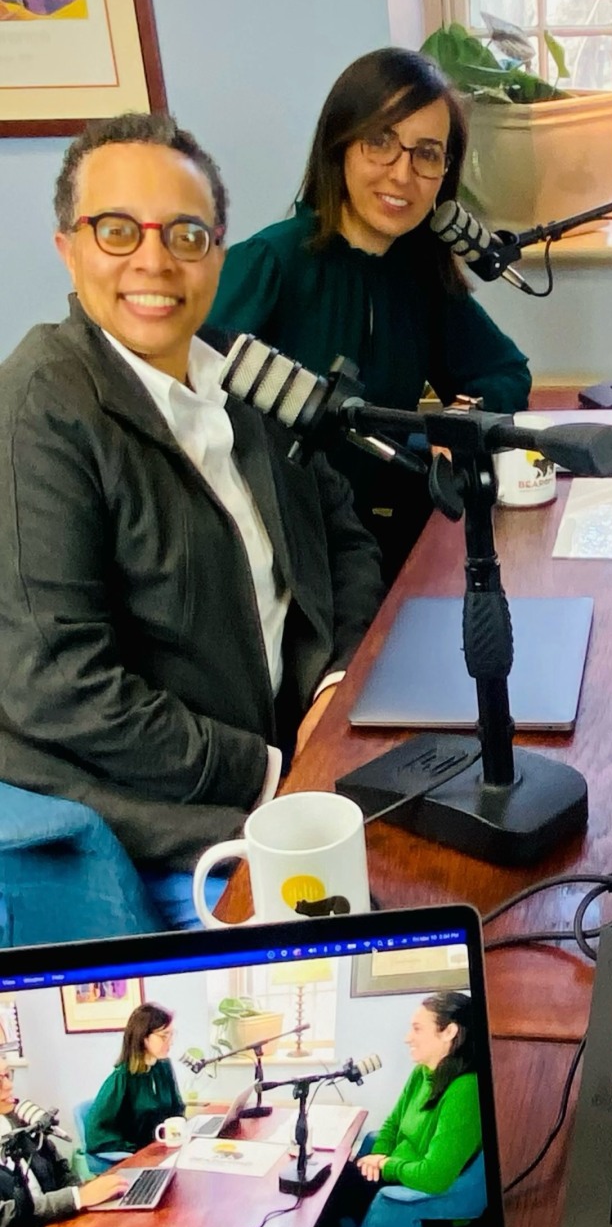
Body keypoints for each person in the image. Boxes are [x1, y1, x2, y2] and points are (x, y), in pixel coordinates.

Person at [0, 113, 383, 912]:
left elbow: (345, 536)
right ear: (67, 246)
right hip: (176, 831)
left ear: (217, 249)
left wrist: (336, 686)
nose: (154, 259)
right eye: (116, 230)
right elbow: (59, 687)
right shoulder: (43, 407)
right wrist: (266, 771)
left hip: (303, 761)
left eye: (185, 233)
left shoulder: (243, 371)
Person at [208, 47, 533, 583]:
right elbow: (181, 398)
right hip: (288, 559)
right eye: (380, 142)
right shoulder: (269, 263)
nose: (403, 173)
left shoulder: (419, 273)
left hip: (395, 543)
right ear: (340, 146)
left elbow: (507, 371)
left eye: (427, 153)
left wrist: (463, 415)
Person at [356, 991, 481, 1195]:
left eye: (417, 1029)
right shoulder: (421, 1072)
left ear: (449, 1032)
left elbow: (433, 1177)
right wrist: (377, 1157)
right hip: (393, 1172)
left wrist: (383, 1164)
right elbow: (392, 1124)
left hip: (412, 1189)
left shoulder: (466, 1090)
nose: (407, 1038)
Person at [0, 1059, 116, 1219]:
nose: (8, 1085)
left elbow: (61, 1170)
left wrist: (88, 1199)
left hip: (58, 1220)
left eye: (7, 1075)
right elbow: (4, 1213)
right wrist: (74, 1198)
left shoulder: (20, 1121)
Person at [85, 1005, 186, 1160]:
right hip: (139, 1155)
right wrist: (131, 1150)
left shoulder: (163, 1067)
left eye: (172, 1035)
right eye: (164, 1036)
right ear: (143, 1037)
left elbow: (176, 1109)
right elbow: (96, 1130)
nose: (170, 1042)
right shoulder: (122, 1077)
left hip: (163, 1150)